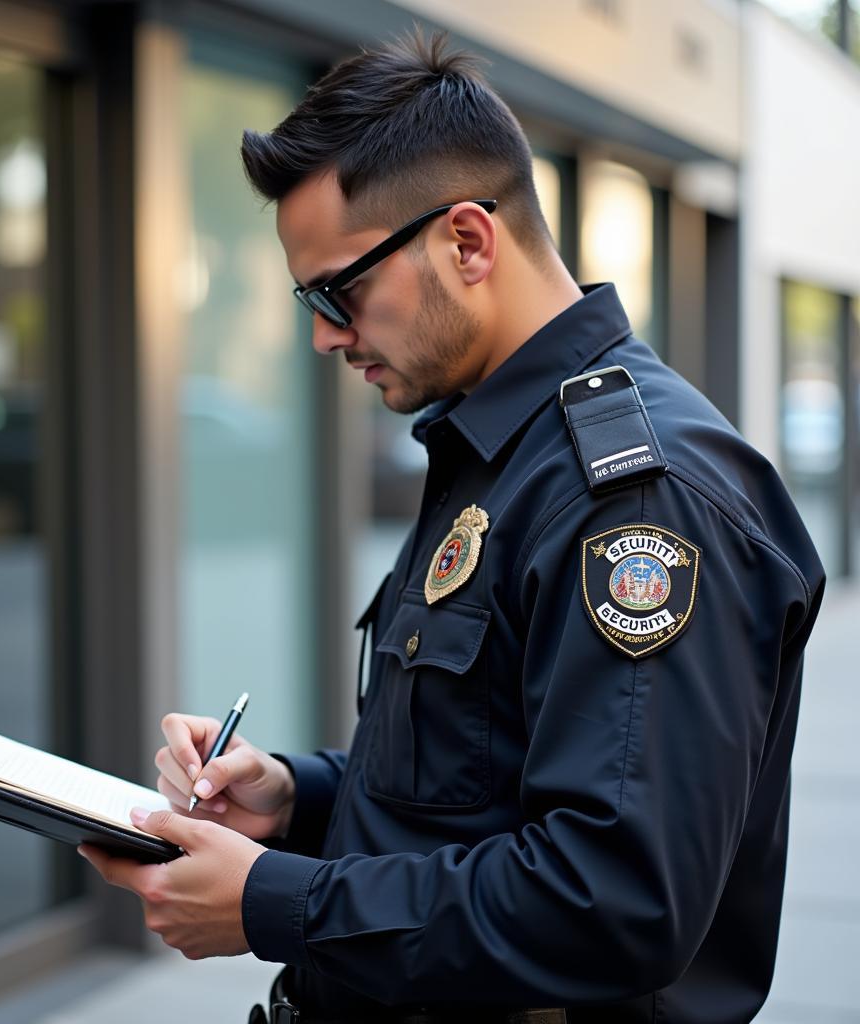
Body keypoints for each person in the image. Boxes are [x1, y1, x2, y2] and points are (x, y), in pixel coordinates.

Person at [78, 32, 826, 1024]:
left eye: (339, 291)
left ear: (467, 242)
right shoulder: (502, 452)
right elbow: (479, 785)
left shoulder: (638, 499)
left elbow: (613, 902)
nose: (323, 335)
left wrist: (274, 903)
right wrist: (295, 798)